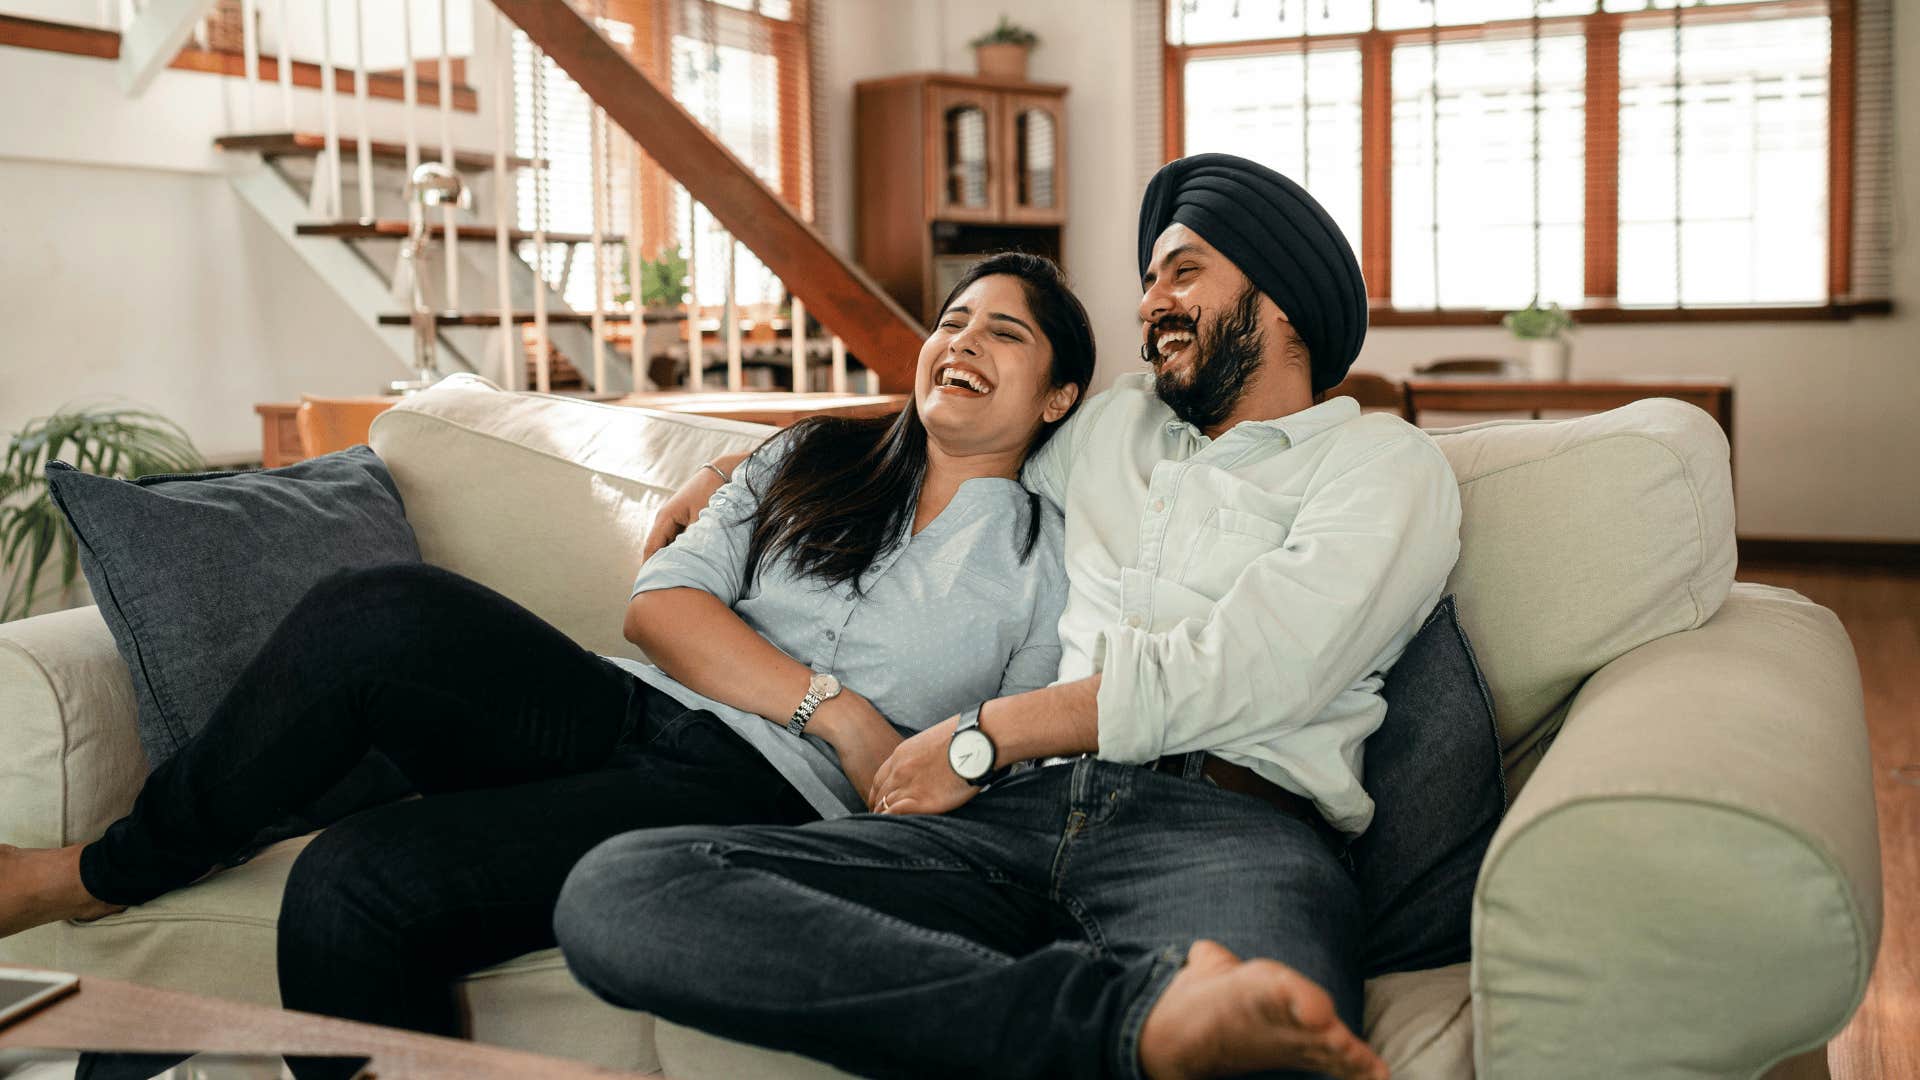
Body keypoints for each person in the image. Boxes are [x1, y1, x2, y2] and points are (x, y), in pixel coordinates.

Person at [0, 252, 1095, 1041]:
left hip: (757, 799)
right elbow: (660, 608)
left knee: (351, 887)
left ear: (1058, 396)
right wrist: (841, 710)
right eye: (954, 320)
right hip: (632, 706)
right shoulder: (812, 457)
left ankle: (205, 852)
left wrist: (922, 764)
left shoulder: (1050, 565)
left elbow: (1020, 762)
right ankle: (105, 874)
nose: (962, 340)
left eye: (1006, 333)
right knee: (377, 609)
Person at [551, 154, 1463, 1080]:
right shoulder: (1116, 426)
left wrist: (986, 735)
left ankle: (1131, 1024)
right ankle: (1117, 1025)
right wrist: (745, 461)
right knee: (624, 889)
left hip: (1223, 831)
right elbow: (955, 409)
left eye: (1183, 273)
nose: (1150, 304)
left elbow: (1258, 663)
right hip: (1009, 819)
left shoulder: (1382, 466)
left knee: (1276, 1050)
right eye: (1148, 282)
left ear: (1285, 305)